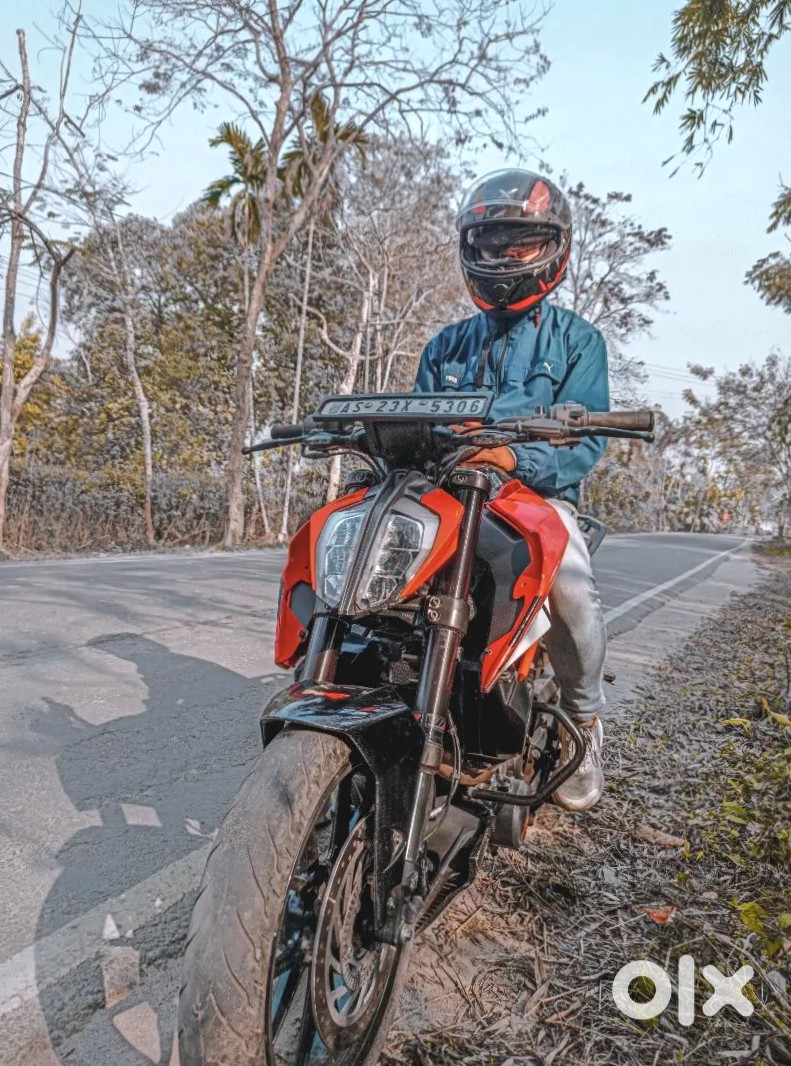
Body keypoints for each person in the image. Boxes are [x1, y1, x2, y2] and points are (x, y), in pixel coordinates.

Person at [413, 168, 609, 812]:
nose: (504, 256)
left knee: (570, 588)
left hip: (534, 498)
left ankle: (582, 720)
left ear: (554, 248)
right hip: (448, 495)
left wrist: (513, 455)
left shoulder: (578, 342)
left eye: (521, 243)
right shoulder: (445, 347)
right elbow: (416, 426)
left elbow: (585, 444)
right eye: (492, 243)